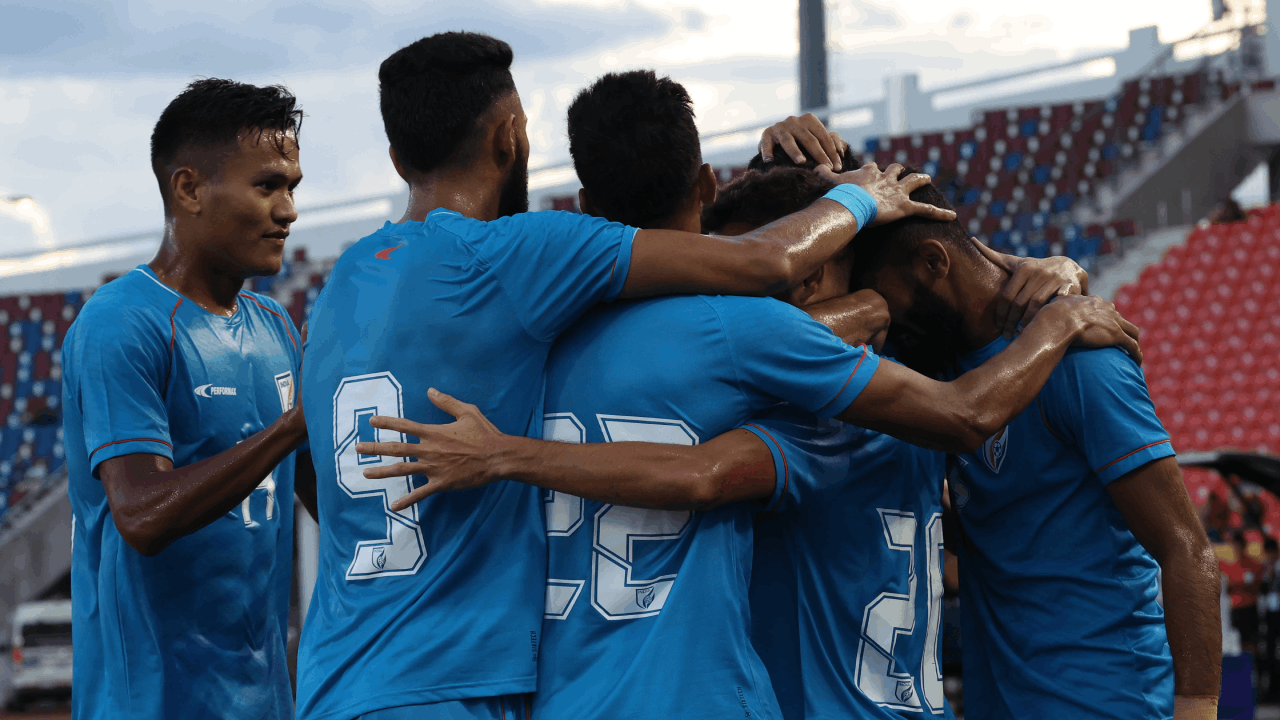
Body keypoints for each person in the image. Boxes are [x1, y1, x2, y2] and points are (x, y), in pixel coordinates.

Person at [351, 75, 1137, 720]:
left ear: (585, 208)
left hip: (556, 690)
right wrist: (1056, 301)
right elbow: (948, 369)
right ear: (703, 184)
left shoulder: (535, 339)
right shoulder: (826, 375)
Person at [294, 34, 953, 720]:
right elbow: (765, 269)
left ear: (398, 158)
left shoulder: (344, 282)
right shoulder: (520, 256)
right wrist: (863, 204)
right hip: (451, 682)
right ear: (511, 139)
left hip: (335, 676)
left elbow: (312, 470)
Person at [846, 173, 1222, 720]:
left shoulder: (1082, 361)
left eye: (884, 298)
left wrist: (1197, 708)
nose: (881, 320)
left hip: (1109, 699)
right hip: (1001, 697)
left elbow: (1185, 548)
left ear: (932, 265)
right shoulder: (944, 373)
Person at [63, 78, 315, 720]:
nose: (287, 210)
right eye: (267, 186)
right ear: (190, 188)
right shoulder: (121, 322)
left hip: (263, 702)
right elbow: (143, 515)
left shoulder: (275, 326)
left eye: (292, 186)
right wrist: (294, 426)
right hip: (150, 705)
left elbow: (327, 501)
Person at [1221, 531, 1263, 657]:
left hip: (1250, 607)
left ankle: (1254, 670)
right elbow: (1227, 587)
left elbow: (1257, 586)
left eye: (1238, 545)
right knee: (1239, 642)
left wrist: (1237, 585)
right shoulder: (1229, 567)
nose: (1235, 548)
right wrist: (1242, 585)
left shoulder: (1254, 564)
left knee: (1252, 642)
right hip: (1235, 608)